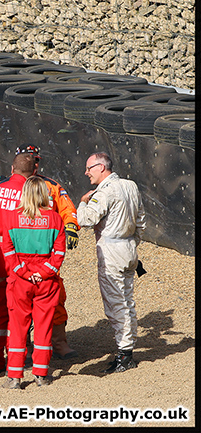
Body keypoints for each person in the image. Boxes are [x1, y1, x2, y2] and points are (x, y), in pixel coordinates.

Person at [77, 152, 146, 374]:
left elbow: (86, 220)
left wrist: (82, 203)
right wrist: (132, 242)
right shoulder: (131, 185)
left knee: (116, 303)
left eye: (89, 168)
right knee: (127, 300)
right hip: (128, 249)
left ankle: (124, 354)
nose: (86, 173)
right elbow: (141, 220)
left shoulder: (104, 192)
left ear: (101, 168)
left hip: (111, 252)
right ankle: (127, 350)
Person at [1, 176, 66, 389]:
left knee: (18, 328)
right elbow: (59, 254)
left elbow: (8, 252)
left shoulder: (11, 219)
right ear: (44, 195)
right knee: (43, 327)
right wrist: (42, 273)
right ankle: (40, 374)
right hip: (46, 281)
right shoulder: (55, 219)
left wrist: (26, 273)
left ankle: (14, 377)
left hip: (20, 280)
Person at [16, 144, 79, 359]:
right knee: (18, 304)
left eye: (36, 159)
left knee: (56, 297)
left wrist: (70, 226)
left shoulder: (51, 186)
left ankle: (59, 342)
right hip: (19, 255)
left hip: (47, 254)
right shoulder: (7, 187)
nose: (34, 163)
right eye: (29, 159)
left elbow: (68, 209)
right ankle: (21, 347)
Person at [0, 152, 36, 374]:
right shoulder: (30, 194)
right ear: (33, 174)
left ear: (11, 170)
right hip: (22, 259)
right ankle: (16, 359)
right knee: (19, 313)